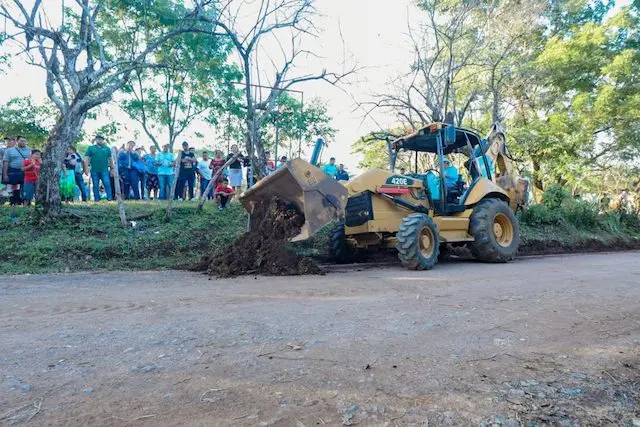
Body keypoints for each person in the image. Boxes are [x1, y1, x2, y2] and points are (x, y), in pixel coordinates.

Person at [2, 135, 31, 205]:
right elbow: (6, 162)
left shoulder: (30, 150)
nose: (23, 142)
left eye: (24, 141)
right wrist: (5, 174)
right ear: (17, 141)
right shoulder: (9, 150)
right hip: (13, 171)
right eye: (21, 141)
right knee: (12, 187)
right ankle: (13, 202)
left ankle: (26, 202)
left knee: (25, 187)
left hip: (26, 172)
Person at [84, 135, 113, 202]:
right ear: (96, 140)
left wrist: (112, 169)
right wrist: (86, 168)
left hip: (105, 170)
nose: (100, 140)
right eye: (98, 139)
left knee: (107, 184)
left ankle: (109, 199)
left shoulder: (107, 148)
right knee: (95, 185)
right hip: (94, 170)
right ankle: (96, 199)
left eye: (101, 139)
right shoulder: (90, 148)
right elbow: (86, 158)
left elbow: (111, 159)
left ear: (103, 140)